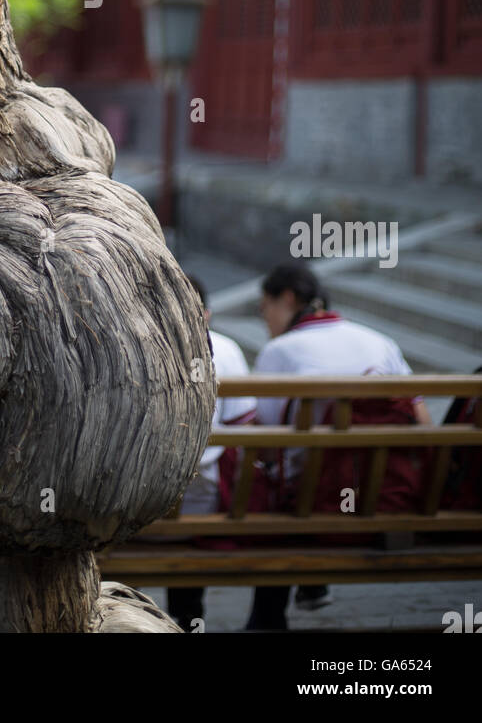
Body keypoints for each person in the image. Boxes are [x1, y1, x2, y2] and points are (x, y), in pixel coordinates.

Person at [245, 262, 430, 632]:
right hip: (389, 499)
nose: (265, 320)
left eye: (265, 308)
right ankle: (301, 594)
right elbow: (424, 425)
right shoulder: (380, 342)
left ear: (288, 298)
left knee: (271, 482)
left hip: (313, 509)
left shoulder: (279, 351)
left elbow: (263, 447)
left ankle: (266, 620)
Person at [168, 273, 256, 632]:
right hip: (204, 515)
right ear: (205, 313)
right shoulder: (227, 348)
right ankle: (189, 619)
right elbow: (246, 429)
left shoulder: (128, 345)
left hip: (133, 517)